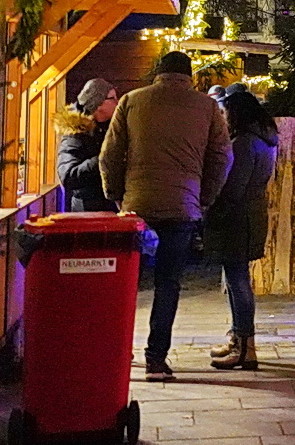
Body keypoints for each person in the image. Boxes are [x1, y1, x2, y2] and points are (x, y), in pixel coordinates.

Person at [100, 51, 233, 381]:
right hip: (182, 207)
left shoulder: (132, 101)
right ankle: (156, 360)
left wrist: (117, 196)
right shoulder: (207, 107)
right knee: (168, 284)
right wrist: (203, 198)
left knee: (127, 284)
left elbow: (109, 155)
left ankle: (117, 353)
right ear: (189, 76)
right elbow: (222, 157)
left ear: (158, 73)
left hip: (137, 206)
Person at [203, 86, 278, 371]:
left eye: (225, 112)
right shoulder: (264, 140)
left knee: (237, 281)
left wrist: (210, 203)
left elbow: (233, 186)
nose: (222, 117)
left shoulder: (244, 143)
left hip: (236, 218)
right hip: (249, 215)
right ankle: (239, 338)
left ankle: (245, 346)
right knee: (237, 278)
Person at [55, 77, 118, 212]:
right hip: (87, 212)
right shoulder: (76, 134)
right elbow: (68, 177)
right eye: (112, 98)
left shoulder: (107, 128)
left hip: (107, 208)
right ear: (98, 103)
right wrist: (103, 159)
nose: (117, 102)